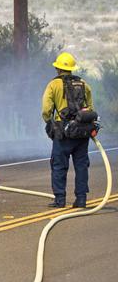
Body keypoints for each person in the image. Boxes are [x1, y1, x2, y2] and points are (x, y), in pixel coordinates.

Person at [42, 51, 94, 209]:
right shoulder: (84, 84)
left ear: (58, 69)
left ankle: (60, 200)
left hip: (62, 132)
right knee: (81, 165)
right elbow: (90, 109)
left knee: (59, 165)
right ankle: (81, 199)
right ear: (72, 69)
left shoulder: (53, 84)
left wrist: (49, 123)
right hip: (81, 131)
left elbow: (46, 109)